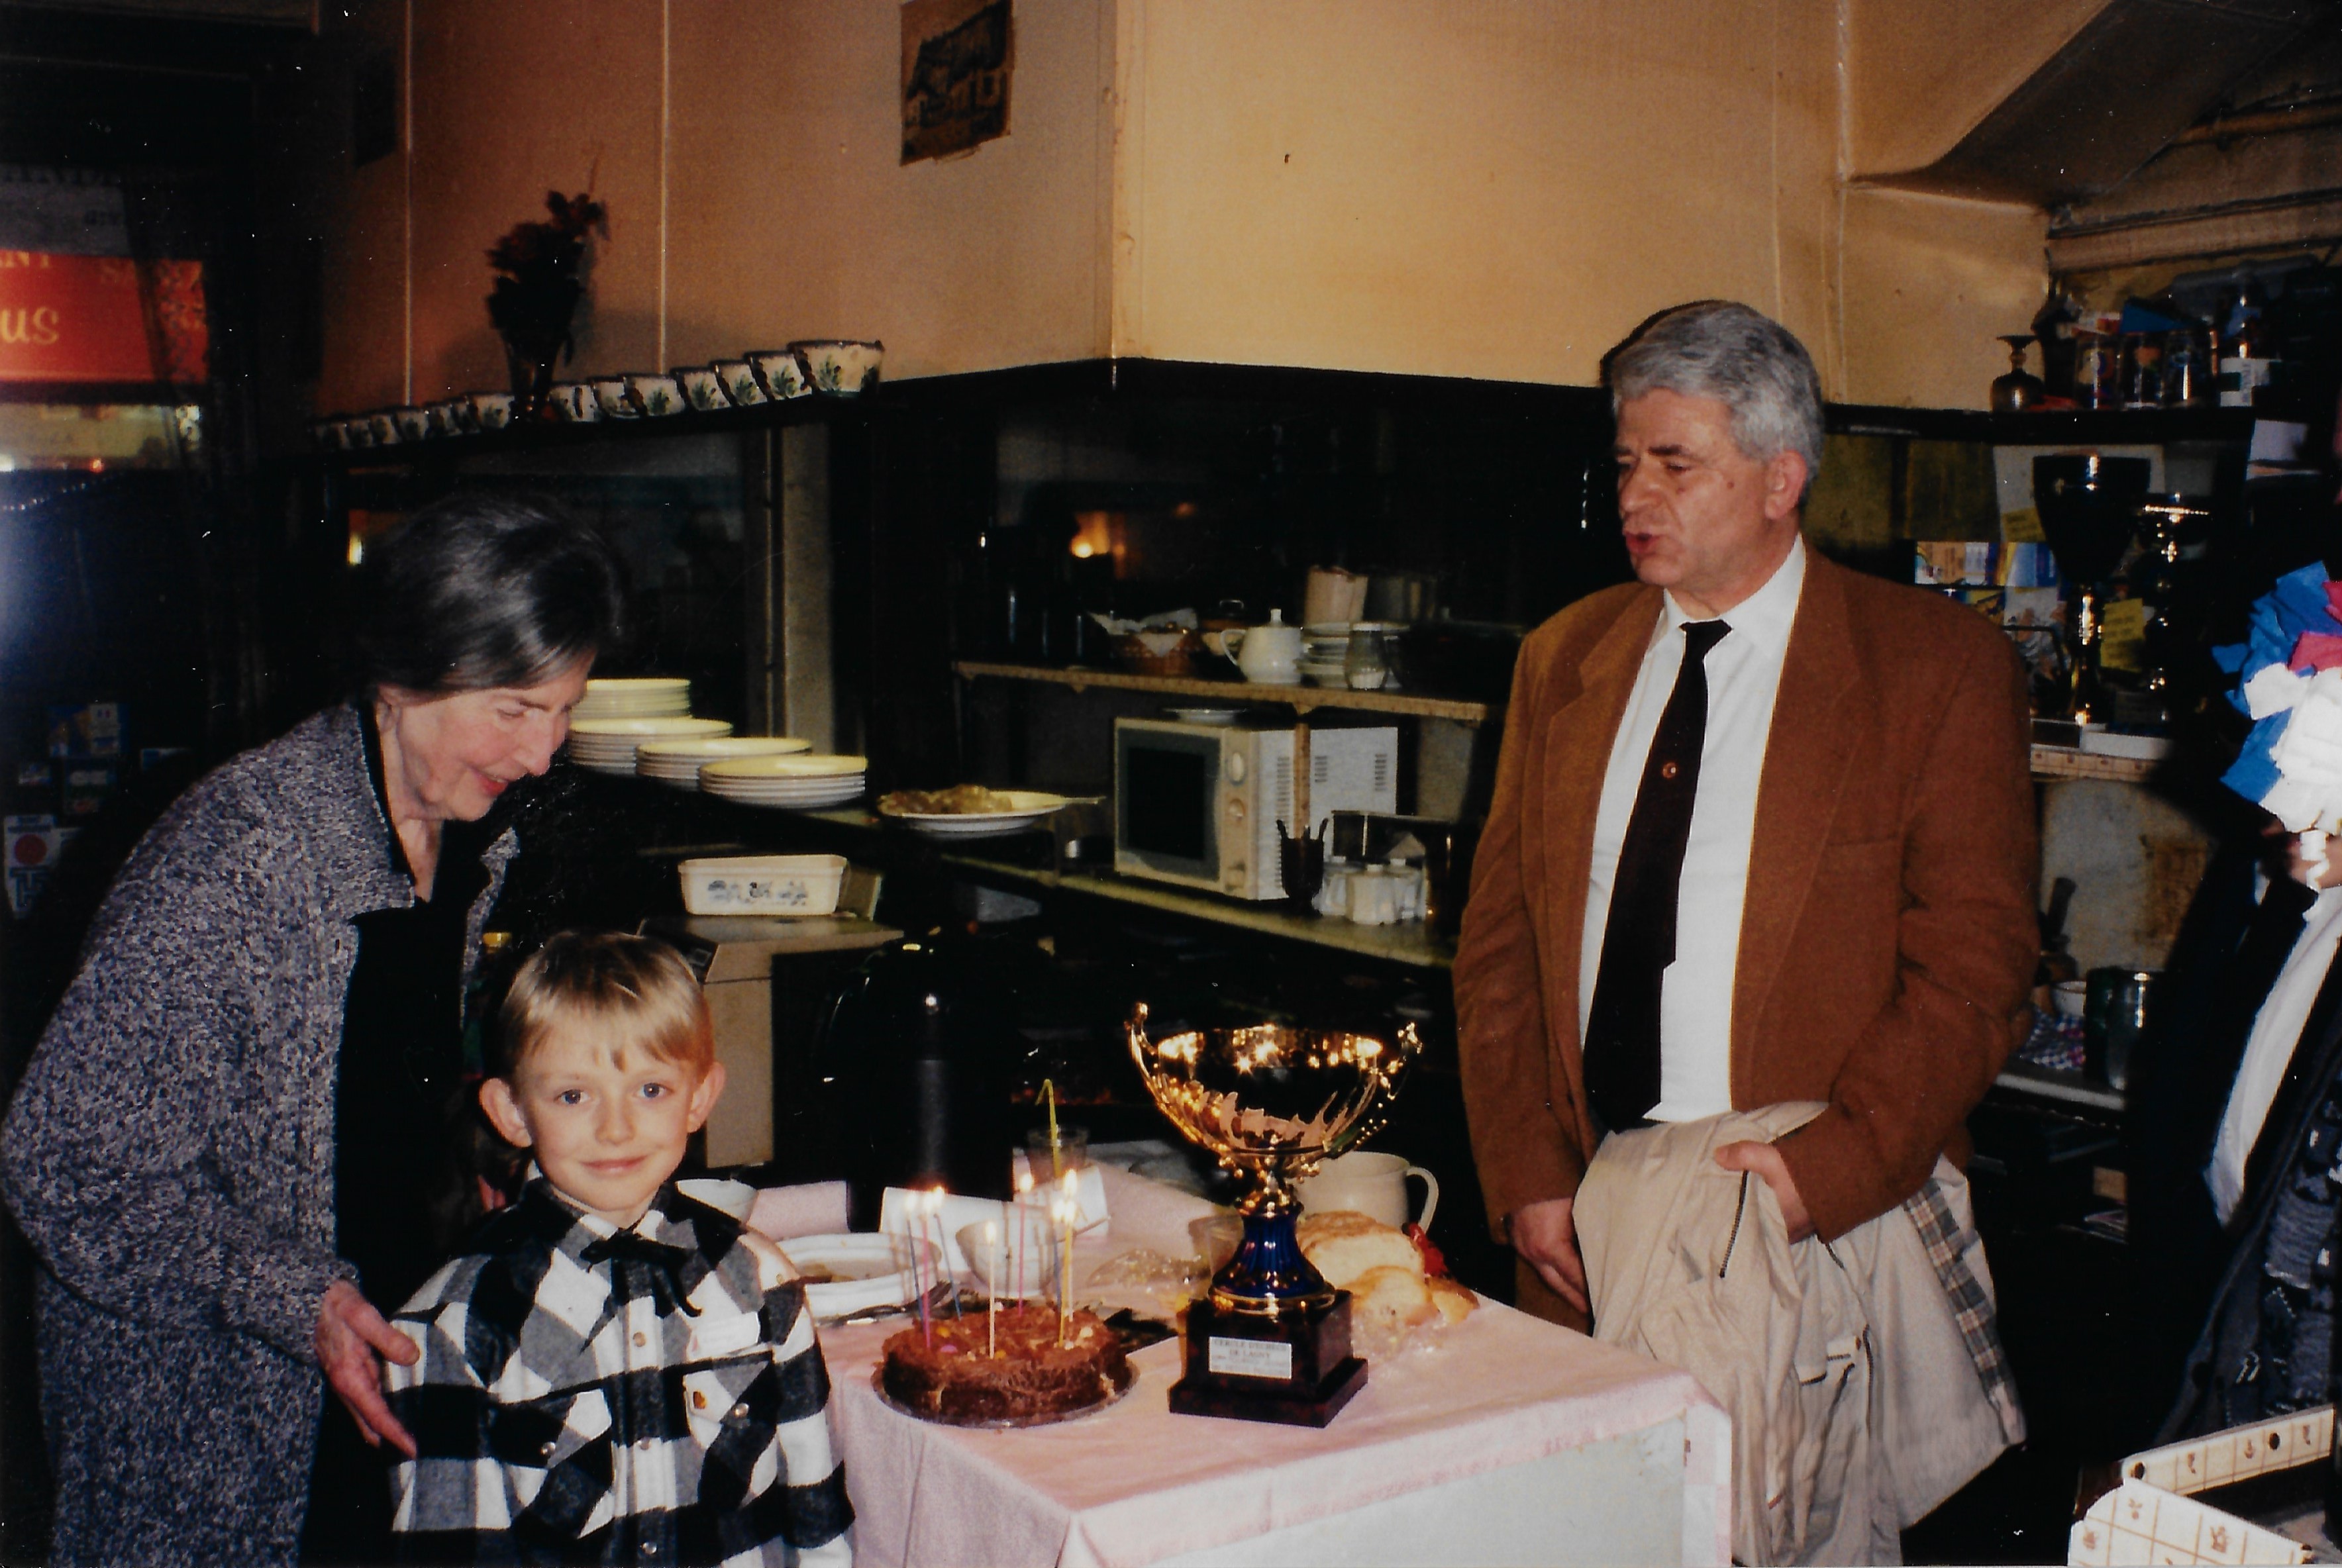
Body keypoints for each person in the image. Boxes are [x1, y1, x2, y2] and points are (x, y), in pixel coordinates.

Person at [1453, 301, 2038, 1559]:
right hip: (1580, 1207)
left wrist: (1822, 1172)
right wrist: (1527, 1176)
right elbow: (1498, 942)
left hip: (1780, 1223)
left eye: (1677, 462)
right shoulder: (1564, 657)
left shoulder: (1931, 666)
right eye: (1625, 463)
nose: (1637, 494)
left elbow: (1979, 963)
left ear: (1784, 478)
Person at [1, 492, 628, 1567]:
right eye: (516, 710)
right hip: (210, 1411)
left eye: (564, 711)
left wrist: (470, 1163)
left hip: (367, 1364)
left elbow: (370, 1071)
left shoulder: (463, 835)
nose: (541, 753)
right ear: (400, 676)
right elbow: (65, 1160)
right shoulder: (239, 860)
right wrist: (301, 1297)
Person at [384, 930, 852, 1565]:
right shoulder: (453, 1327)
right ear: (512, 1112)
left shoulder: (761, 1280)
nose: (616, 1127)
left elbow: (815, 1516)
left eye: (651, 1089)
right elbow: (454, 1551)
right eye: (573, 1096)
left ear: (701, 1098)